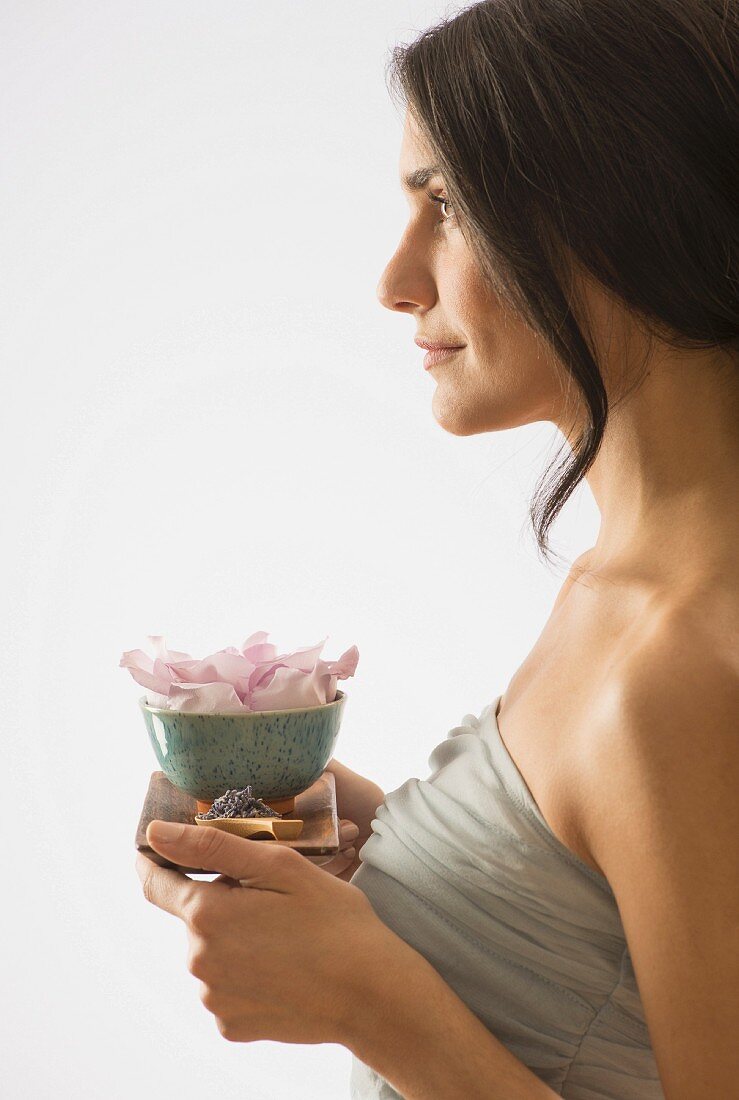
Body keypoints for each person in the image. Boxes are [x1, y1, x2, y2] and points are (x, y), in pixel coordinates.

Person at [137, 2, 737, 1097]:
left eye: (447, 204)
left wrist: (369, 1004)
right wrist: (346, 832)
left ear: (620, 210)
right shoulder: (623, 586)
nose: (394, 279)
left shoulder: (684, 663)